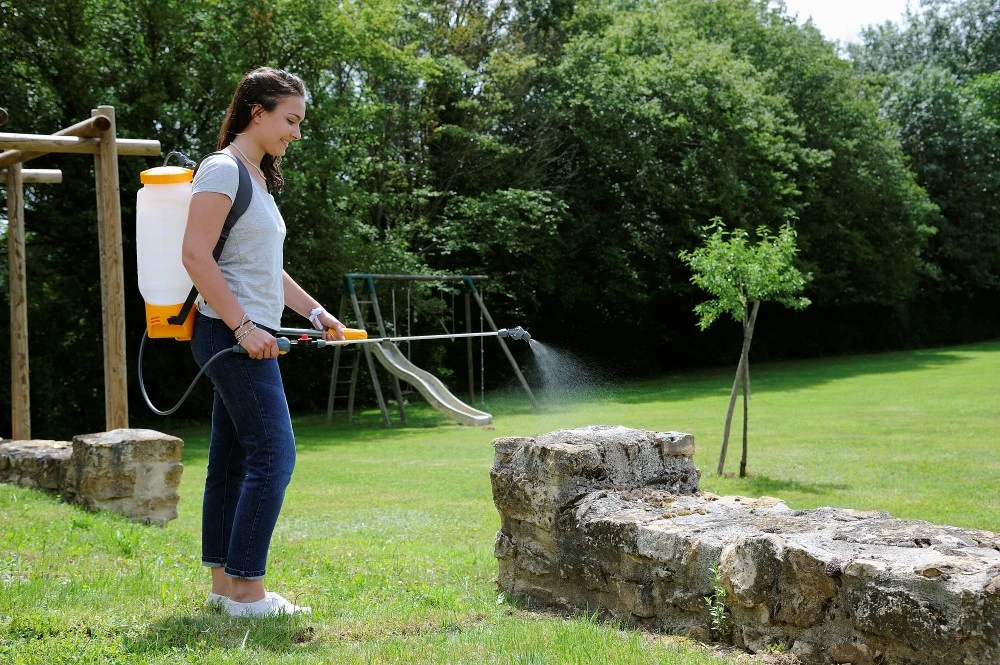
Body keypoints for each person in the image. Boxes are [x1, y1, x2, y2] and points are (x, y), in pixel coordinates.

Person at [182, 66, 345, 618]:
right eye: (290, 120)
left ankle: (224, 586)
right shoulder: (222, 169)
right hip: (230, 334)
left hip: (245, 332)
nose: (296, 133)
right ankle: (248, 593)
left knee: (231, 460)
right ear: (258, 112)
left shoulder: (255, 177)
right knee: (274, 456)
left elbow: (263, 268)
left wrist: (315, 311)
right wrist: (244, 327)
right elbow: (195, 255)